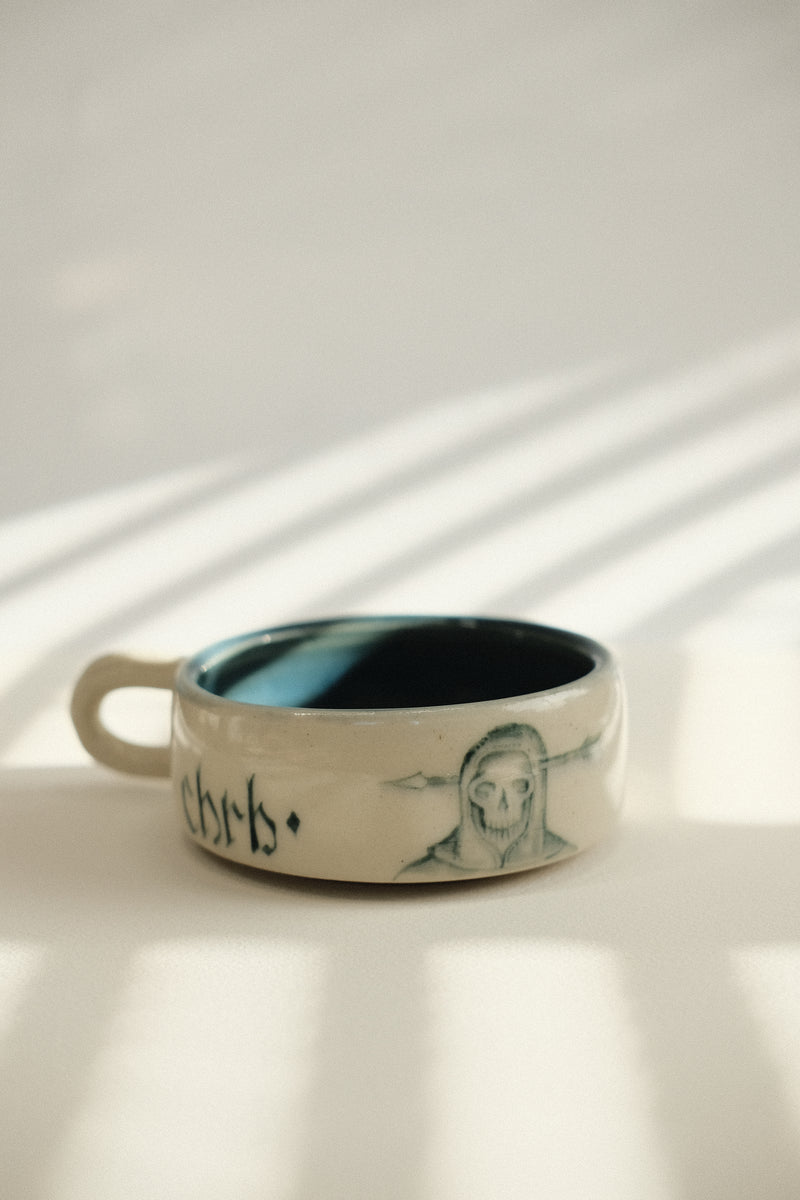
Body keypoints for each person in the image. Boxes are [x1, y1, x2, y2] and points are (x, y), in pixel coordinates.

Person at [398, 722, 573, 880]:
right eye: (486, 790)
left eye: (519, 786)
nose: (504, 805)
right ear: (467, 794)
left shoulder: (562, 850)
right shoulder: (422, 872)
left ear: (537, 792)